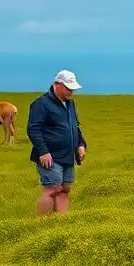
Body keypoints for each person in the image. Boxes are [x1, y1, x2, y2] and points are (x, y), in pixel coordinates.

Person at [27, 69, 87, 215]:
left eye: (73, 89)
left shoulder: (71, 104)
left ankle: (61, 220)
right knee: (52, 189)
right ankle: (42, 222)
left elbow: (75, 126)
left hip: (68, 155)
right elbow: (33, 129)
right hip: (50, 156)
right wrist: (43, 152)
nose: (71, 92)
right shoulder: (41, 104)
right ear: (57, 85)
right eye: (68, 88)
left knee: (65, 188)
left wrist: (81, 144)